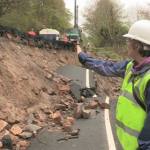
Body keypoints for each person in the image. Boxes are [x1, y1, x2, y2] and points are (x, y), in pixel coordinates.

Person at [76, 20, 150, 150]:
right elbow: (107, 67)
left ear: (138, 46)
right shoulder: (131, 66)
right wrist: (83, 57)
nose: (127, 44)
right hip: (126, 144)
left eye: (129, 41)